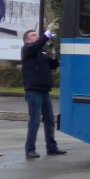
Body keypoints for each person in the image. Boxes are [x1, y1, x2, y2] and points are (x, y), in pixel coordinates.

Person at [22, 27, 67, 159]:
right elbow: (37, 44)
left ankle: (52, 147)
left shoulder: (42, 52)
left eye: (37, 35)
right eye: (33, 35)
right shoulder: (27, 50)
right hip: (33, 91)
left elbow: (54, 65)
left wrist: (53, 55)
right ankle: (30, 149)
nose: (36, 36)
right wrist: (47, 33)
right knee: (34, 120)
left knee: (49, 120)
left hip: (44, 91)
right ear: (27, 40)